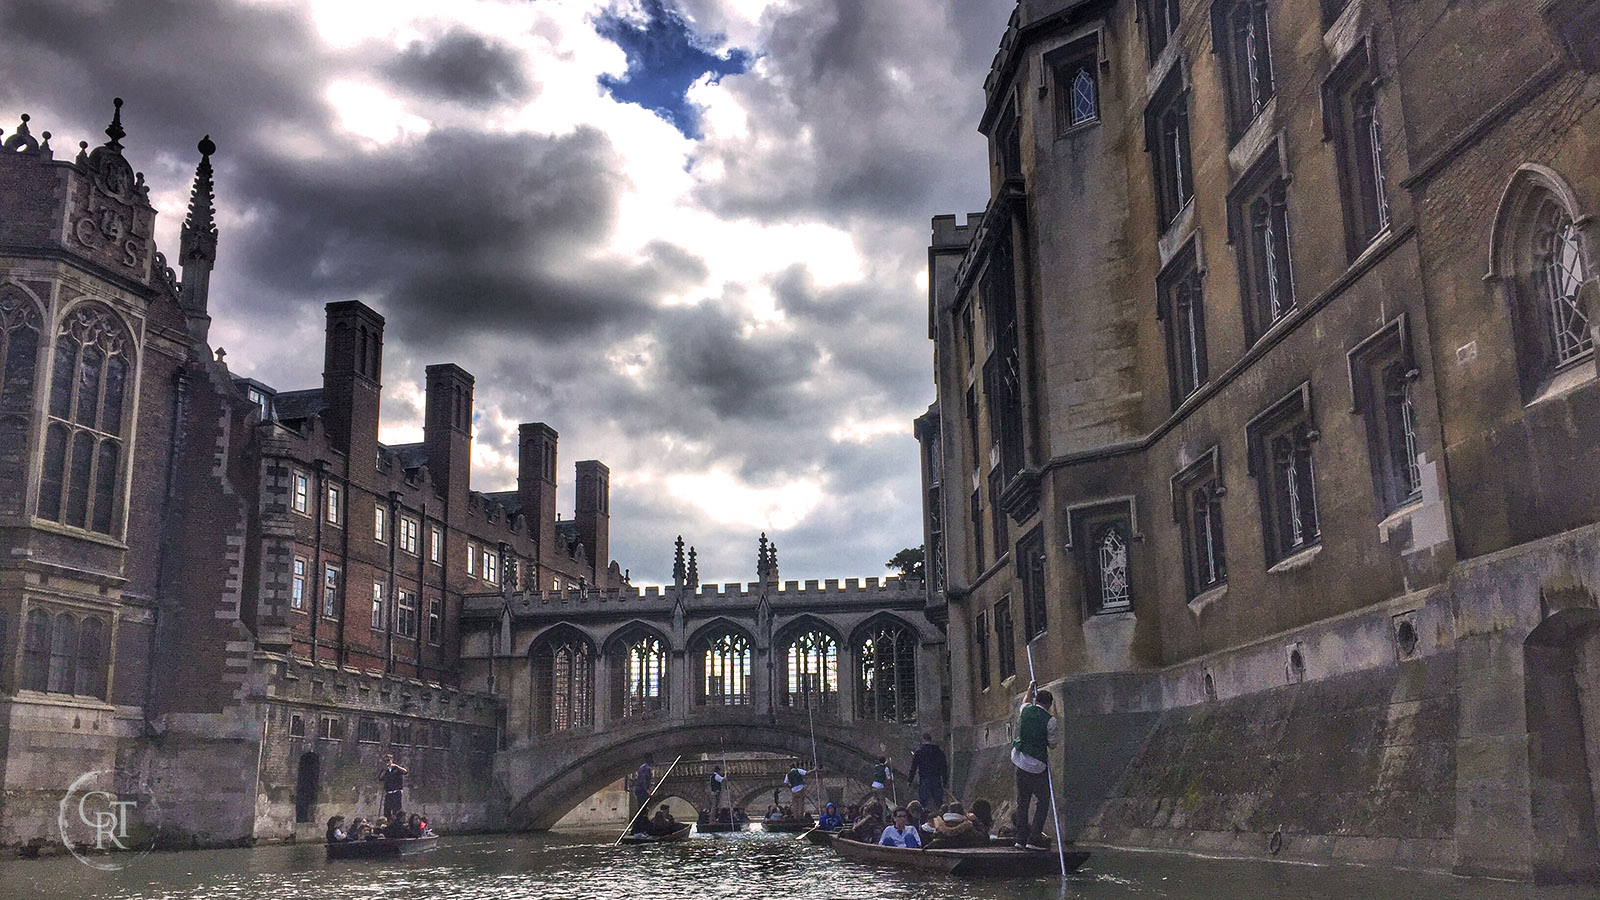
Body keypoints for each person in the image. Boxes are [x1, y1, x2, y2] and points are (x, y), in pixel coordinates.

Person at [1011, 680, 1059, 851]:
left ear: (1036, 700)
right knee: (1043, 800)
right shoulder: (1050, 721)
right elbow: (1052, 745)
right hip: (1038, 766)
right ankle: (1034, 839)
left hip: (1021, 761)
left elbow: (1025, 700)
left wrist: (1030, 687)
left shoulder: (1025, 710)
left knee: (1022, 803)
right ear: (1049, 704)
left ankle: (1020, 839)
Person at [908, 733, 949, 812]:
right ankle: (943, 817)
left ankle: (922, 819)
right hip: (936, 778)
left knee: (923, 802)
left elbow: (914, 767)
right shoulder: (939, 751)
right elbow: (944, 767)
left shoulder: (919, 751)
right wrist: (945, 781)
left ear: (923, 740)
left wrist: (910, 780)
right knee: (939, 802)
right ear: (930, 740)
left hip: (924, 779)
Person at [378, 753, 408, 820]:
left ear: (391, 760)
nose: (387, 762)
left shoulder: (397, 769)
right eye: (385, 761)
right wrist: (385, 770)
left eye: (388, 760)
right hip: (388, 793)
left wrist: (396, 766)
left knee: (396, 810)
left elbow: (405, 771)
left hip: (397, 792)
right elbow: (380, 778)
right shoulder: (385, 771)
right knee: (387, 810)